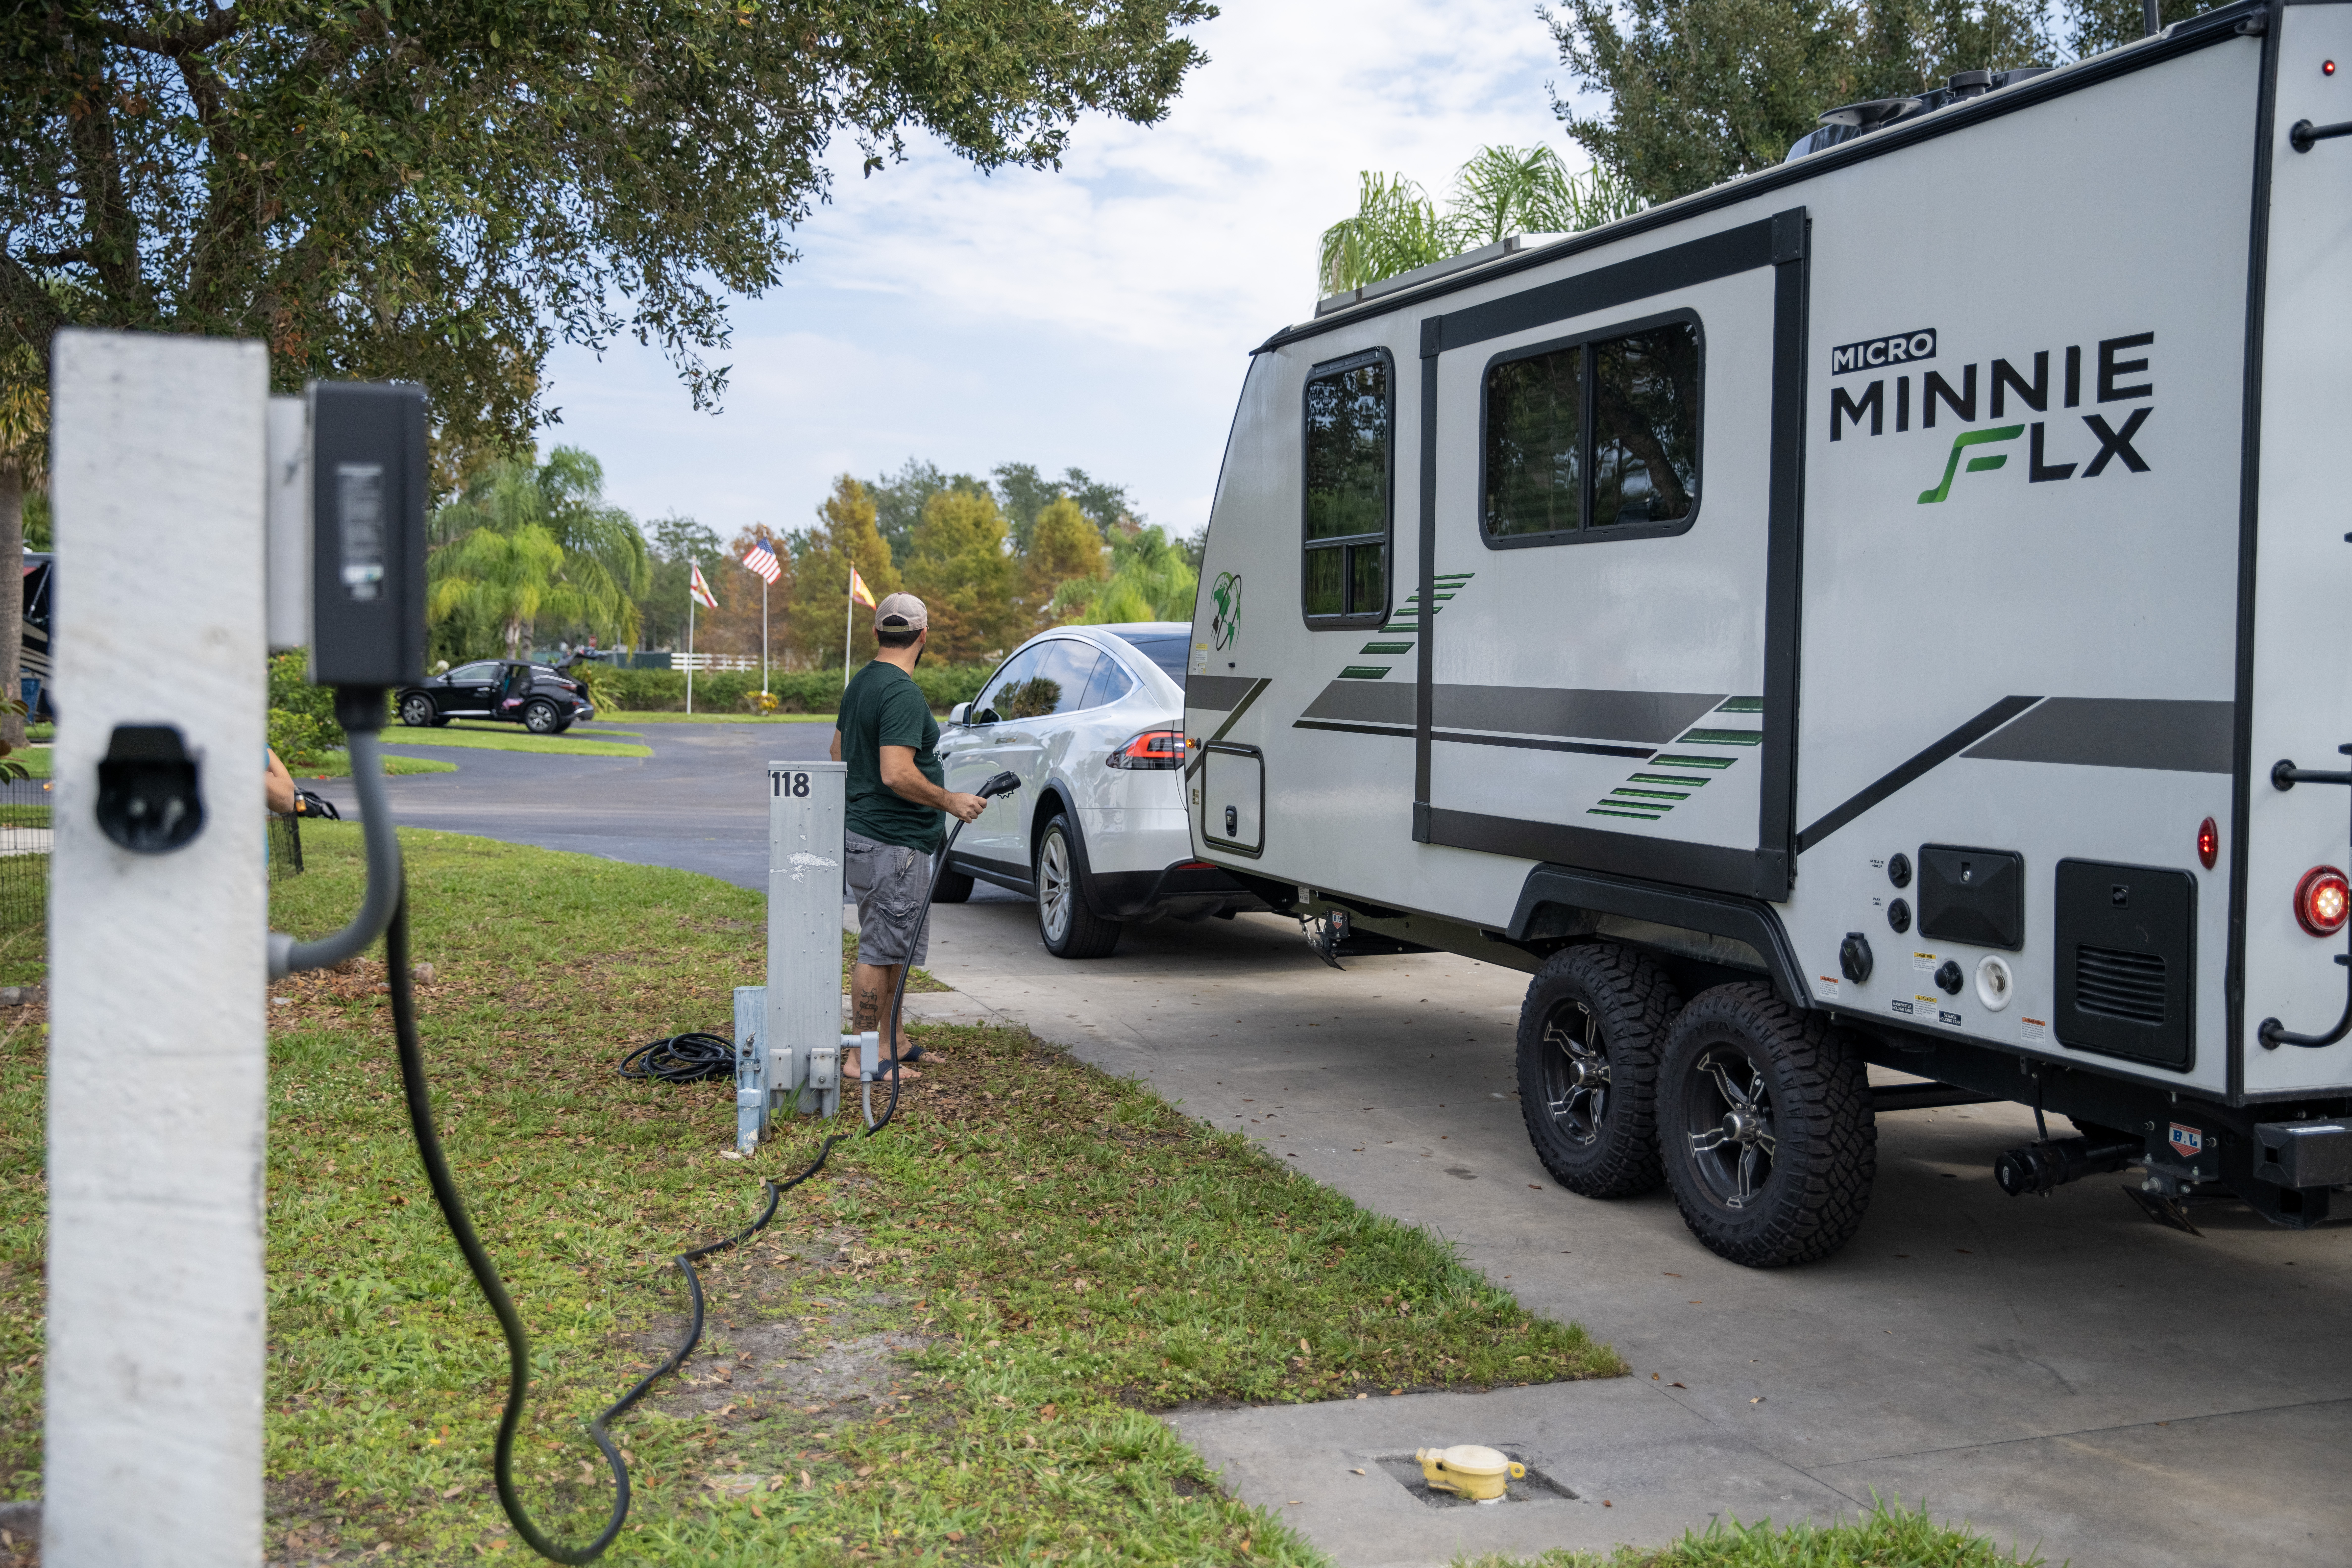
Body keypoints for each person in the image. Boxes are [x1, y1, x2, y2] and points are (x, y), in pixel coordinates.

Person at [831, 593, 985, 1080]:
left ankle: (892, 1042)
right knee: (880, 950)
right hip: (890, 844)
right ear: (924, 636)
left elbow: (838, 752)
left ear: (877, 633)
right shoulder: (899, 691)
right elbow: (897, 773)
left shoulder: (861, 684)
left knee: (894, 945)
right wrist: (950, 800)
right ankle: (864, 1058)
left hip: (871, 837)